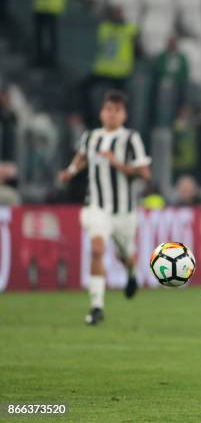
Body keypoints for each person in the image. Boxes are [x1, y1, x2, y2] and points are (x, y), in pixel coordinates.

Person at [58, 90, 151, 325]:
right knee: (97, 249)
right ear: (101, 113)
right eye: (108, 109)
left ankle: (131, 272)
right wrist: (70, 171)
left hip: (123, 213)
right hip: (96, 207)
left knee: (126, 256)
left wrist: (116, 162)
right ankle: (97, 306)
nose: (112, 114)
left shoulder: (131, 139)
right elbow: (82, 157)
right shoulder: (91, 137)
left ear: (124, 115)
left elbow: (144, 173)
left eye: (117, 111)